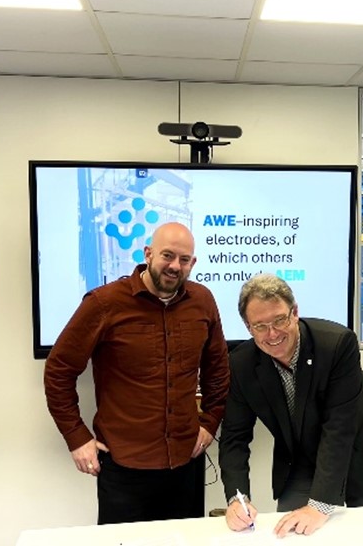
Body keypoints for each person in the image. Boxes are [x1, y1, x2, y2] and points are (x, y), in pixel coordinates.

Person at [44, 221, 230, 524]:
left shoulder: (203, 301)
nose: (175, 266)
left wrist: (210, 422)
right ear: (148, 254)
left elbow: (218, 369)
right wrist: (77, 437)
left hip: (186, 464)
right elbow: (58, 370)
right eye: (167, 255)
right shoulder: (104, 303)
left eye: (184, 259)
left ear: (193, 263)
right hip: (124, 469)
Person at [219, 274, 363, 537]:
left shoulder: (337, 343)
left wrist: (319, 506)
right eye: (260, 326)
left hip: (362, 443)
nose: (272, 334)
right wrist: (238, 499)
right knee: (291, 529)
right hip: (302, 452)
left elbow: (339, 428)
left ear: (294, 313)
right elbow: (234, 437)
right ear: (248, 327)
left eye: (279, 320)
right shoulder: (241, 364)